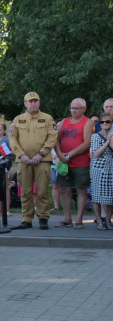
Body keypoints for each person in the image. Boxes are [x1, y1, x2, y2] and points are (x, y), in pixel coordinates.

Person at [8, 92, 58, 230]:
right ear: (25, 103)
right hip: (23, 161)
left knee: (42, 191)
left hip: (41, 160)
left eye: (35, 101)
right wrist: (21, 154)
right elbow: (12, 138)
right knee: (25, 192)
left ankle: (43, 218)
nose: (33, 103)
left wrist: (41, 154)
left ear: (39, 102)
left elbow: (52, 137)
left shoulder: (47, 119)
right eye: (30, 101)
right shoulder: (18, 119)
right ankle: (26, 219)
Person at [55, 98, 94, 229]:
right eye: (72, 108)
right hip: (64, 162)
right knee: (63, 189)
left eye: (76, 108)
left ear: (84, 109)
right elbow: (56, 139)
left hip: (80, 162)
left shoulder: (87, 122)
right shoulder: (64, 122)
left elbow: (87, 143)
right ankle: (67, 218)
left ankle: (79, 219)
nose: (73, 110)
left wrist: (70, 154)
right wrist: (60, 154)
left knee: (81, 190)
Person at [90, 114, 113, 229]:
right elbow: (96, 153)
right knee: (97, 195)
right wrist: (107, 141)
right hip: (98, 168)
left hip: (111, 167)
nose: (105, 124)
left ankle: (108, 219)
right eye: (102, 122)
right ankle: (99, 220)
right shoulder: (95, 136)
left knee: (110, 196)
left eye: (107, 122)